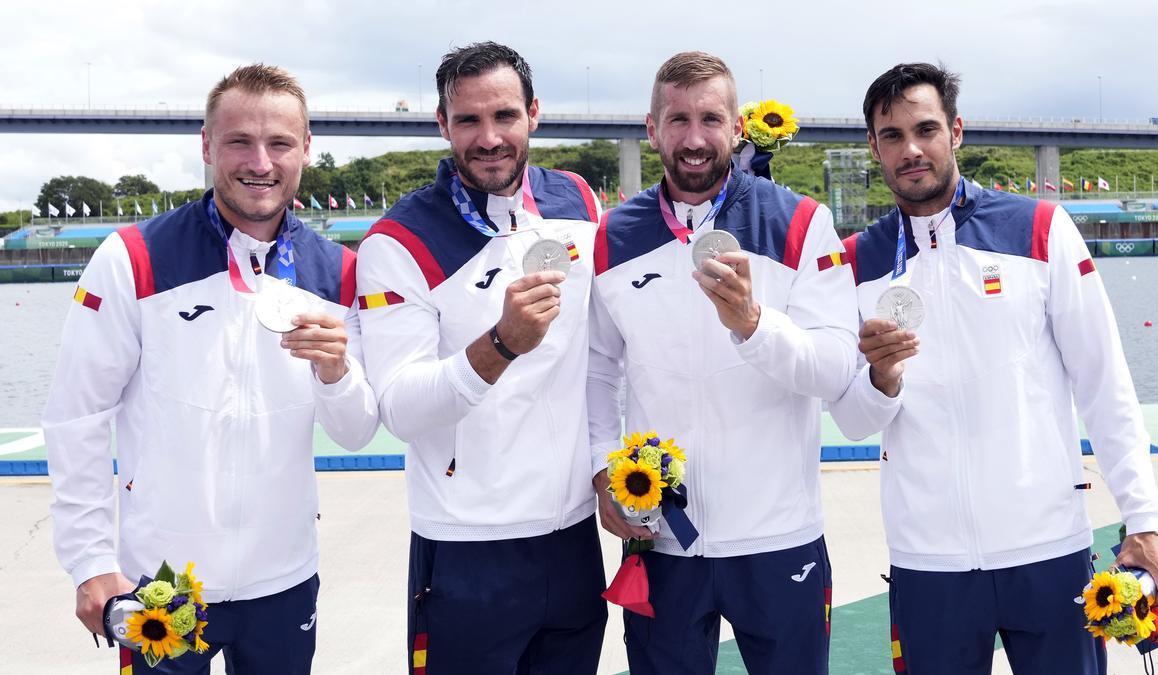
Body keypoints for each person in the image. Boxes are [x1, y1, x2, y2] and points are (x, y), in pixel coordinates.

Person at [830, 62, 1158, 674]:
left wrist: (1145, 518)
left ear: (957, 131)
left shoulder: (1040, 229)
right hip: (927, 561)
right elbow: (854, 419)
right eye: (892, 136)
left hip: (1048, 551)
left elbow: (1104, 383)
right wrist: (881, 380)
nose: (911, 149)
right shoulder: (856, 262)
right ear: (873, 146)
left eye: (926, 129)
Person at [43, 64, 379, 674]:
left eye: (279, 143)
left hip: (284, 576)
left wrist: (337, 373)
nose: (260, 161)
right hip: (162, 582)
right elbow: (77, 418)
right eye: (238, 142)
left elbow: (356, 432)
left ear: (306, 149)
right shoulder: (133, 257)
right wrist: (90, 562)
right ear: (205, 145)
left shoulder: (340, 271)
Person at [588, 51, 858, 674]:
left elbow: (836, 368)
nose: (693, 138)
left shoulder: (800, 222)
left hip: (778, 535)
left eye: (710, 118)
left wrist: (753, 326)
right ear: (650, 128)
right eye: (676, 119)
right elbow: (597, 371)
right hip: (662, 537)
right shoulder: (612, 235)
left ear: (738, 128)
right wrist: (603, 472)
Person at [354, 42, 605, 675]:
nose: (489, 138)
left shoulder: (577, 199)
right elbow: (401, 409)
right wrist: (499, 347)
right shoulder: (398, 241)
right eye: (468, 121)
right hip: (468, 544)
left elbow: (604, 358)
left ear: (534, 114)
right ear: (442, 124)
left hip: (574, 536)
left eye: (504, 117)